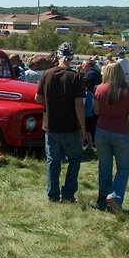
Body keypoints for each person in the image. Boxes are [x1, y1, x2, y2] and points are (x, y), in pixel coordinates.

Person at [35, 42, 88, 203]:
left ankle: (52, 194)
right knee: (74, 160)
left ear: (57, 55)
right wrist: (83, 128)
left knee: (53, 162)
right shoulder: (75, 77)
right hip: (70, 127)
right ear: (72, 57)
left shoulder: (46, 74)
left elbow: (38, 98)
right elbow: (79, 104)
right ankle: (68, 194)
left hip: (51, 126)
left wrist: (51, 103)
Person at [92, 62, 129, 214]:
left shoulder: (99, 89)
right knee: (123, 168)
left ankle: (102, 201)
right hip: (121, 133)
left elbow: (96, 111)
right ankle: (115, 196)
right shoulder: (128, 91)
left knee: (104, 167)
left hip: (102, 131)